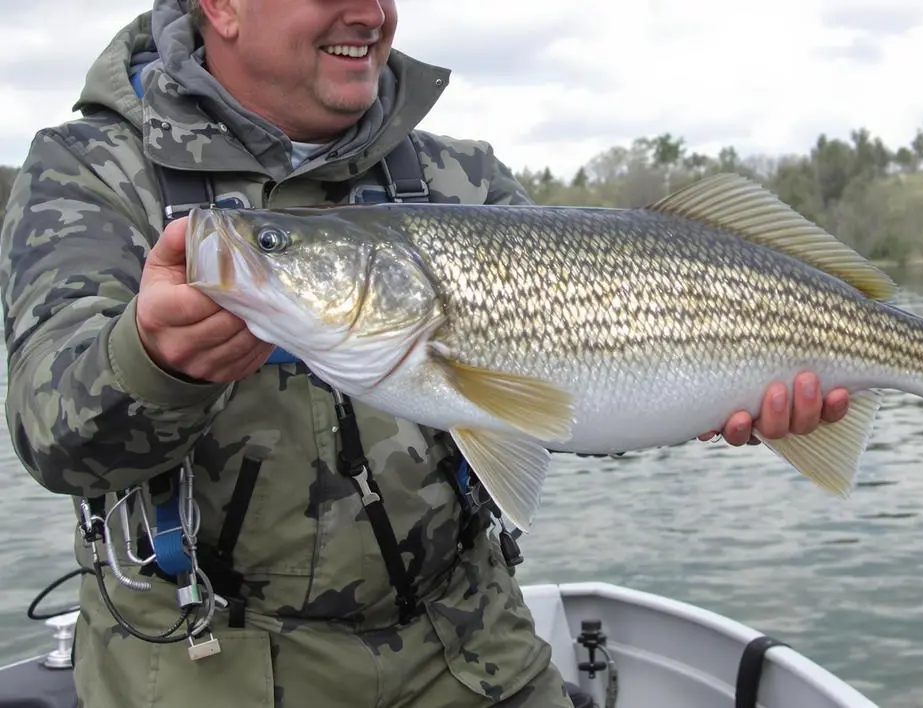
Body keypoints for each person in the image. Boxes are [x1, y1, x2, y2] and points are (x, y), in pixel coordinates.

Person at [0, 1, 850, 706]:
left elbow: (569, 400)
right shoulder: (89, 172)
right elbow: (52, 437)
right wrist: (154, 360)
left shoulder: (461, 178)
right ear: (221, 6)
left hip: (472, 647)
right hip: (205, 668)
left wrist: (716, 392)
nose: (371, 13)